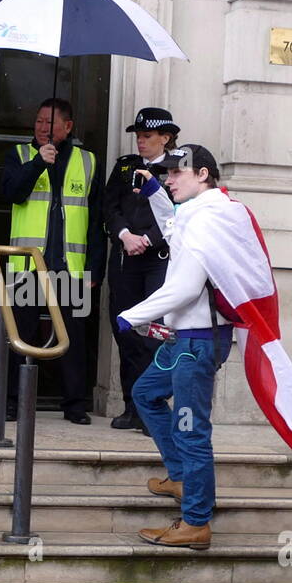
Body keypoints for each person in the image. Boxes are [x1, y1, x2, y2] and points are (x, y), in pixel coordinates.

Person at [116, 145, 232, 550]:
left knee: (191, 431)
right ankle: (181, 477)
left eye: (175, 173)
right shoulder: (198, 213)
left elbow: (183, 288)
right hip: (186, 339)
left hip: (196, 342)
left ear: (202, 174)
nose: (168, 178)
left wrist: (132, 315)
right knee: (145, 394)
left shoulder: (207, 220)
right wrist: (154, 194)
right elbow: (172, 226)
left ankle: (196, 522)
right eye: (164, 173)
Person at [1, 98, 106, 424]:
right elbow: (11, 194)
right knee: (21, 336)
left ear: (68, 126)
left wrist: (94, 268)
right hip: (28, 265)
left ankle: (74, 404)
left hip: (70, 267)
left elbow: (97, 222)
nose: (42, 128)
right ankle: (14, 402)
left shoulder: (88, 161)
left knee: (73, 338)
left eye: (49, 122)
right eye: (38, 121)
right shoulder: (20, 155)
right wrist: (37, 164)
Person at [103, 107, 181, 430]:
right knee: (127, 333)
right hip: (125, 258)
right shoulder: (125, 167)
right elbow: (109, 205)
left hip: (157, 261)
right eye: (138, 136)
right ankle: (131, 406)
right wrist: (124, 235)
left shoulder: (177, 169)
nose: (141, 142)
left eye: (147, 136)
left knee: (154, 335)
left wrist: (147, 240)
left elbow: (176, 212)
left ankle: (153, 409)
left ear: (165, 137)